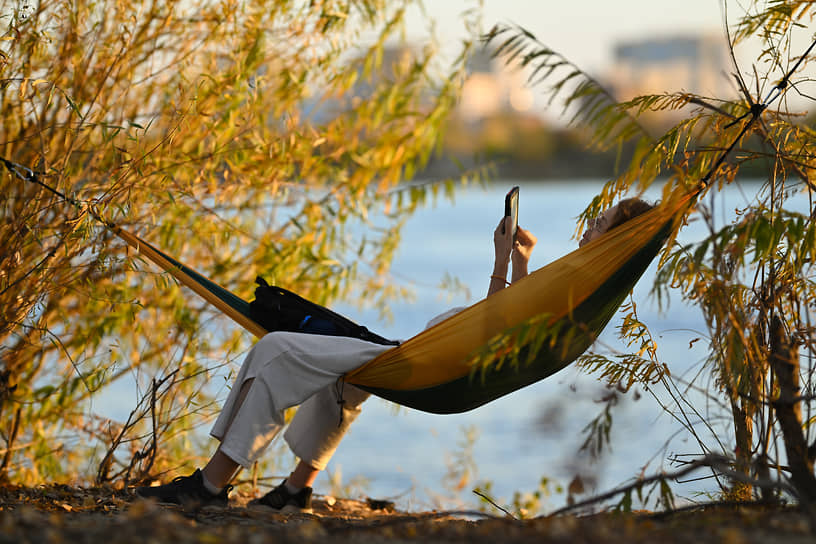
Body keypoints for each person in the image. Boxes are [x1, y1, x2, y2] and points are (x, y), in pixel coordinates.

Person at [135, 196, 654, 511]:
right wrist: (523, 264)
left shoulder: (577, 285)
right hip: (431, 358)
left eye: (601, 222)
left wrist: (500, 263)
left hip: (436, 362)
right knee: (349, 377)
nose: (590, 225)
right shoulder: (579, 288)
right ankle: (296, 490)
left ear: (614, 241)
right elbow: (518, 328)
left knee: (276, 348)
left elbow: (498, 336)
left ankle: (209, 485)